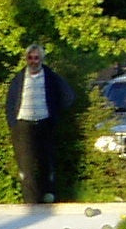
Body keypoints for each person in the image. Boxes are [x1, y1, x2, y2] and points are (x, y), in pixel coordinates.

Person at [5, 44, 76, 204]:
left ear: (41, 59)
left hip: (45, 125)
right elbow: (10, 102)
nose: (33, 61)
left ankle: (47, 200)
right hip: (23, 126)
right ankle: (31, 203)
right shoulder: (19, 79)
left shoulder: (51, 77)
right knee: (26, 167)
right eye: (30, 58)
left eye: (36, 58)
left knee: (46, 164)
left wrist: (55, 112)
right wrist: (13, 122)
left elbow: (68, 96)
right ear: (26, 59)